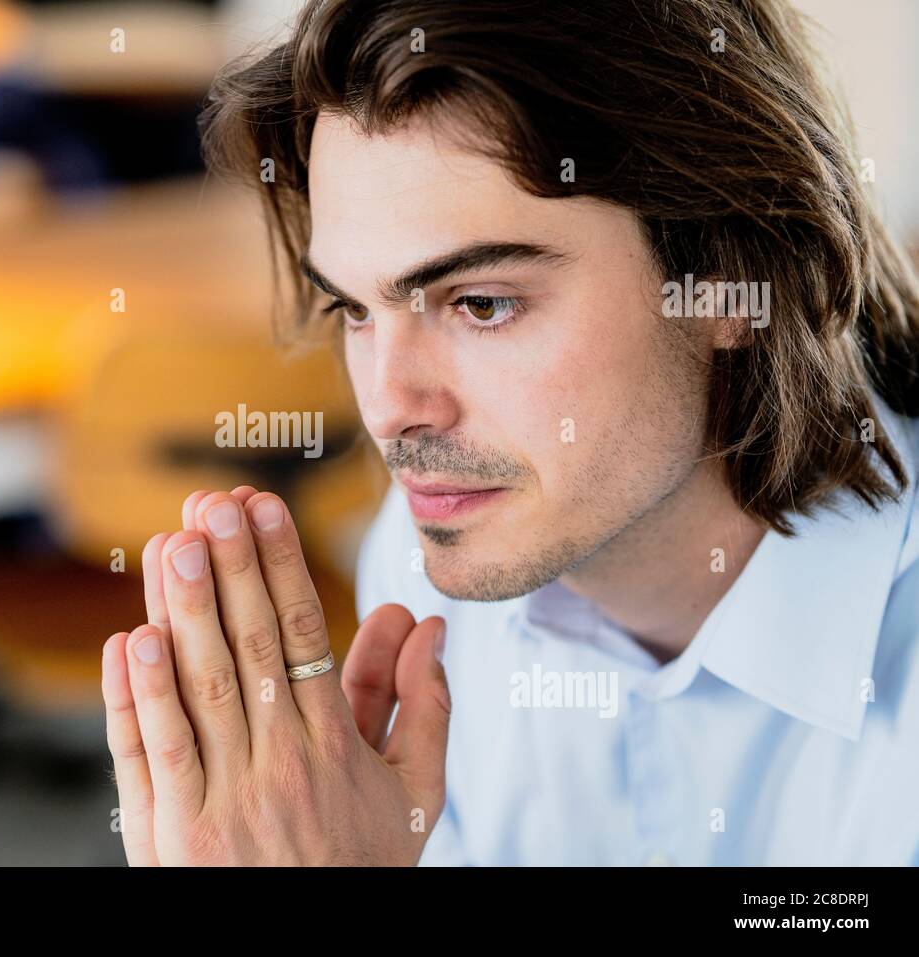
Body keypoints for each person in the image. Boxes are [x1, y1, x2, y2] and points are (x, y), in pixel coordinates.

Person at [100, 0, 919, 865]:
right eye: (354, 309)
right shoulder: (429, 567)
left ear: (730, 280)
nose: (388, 409)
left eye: (482, 304)